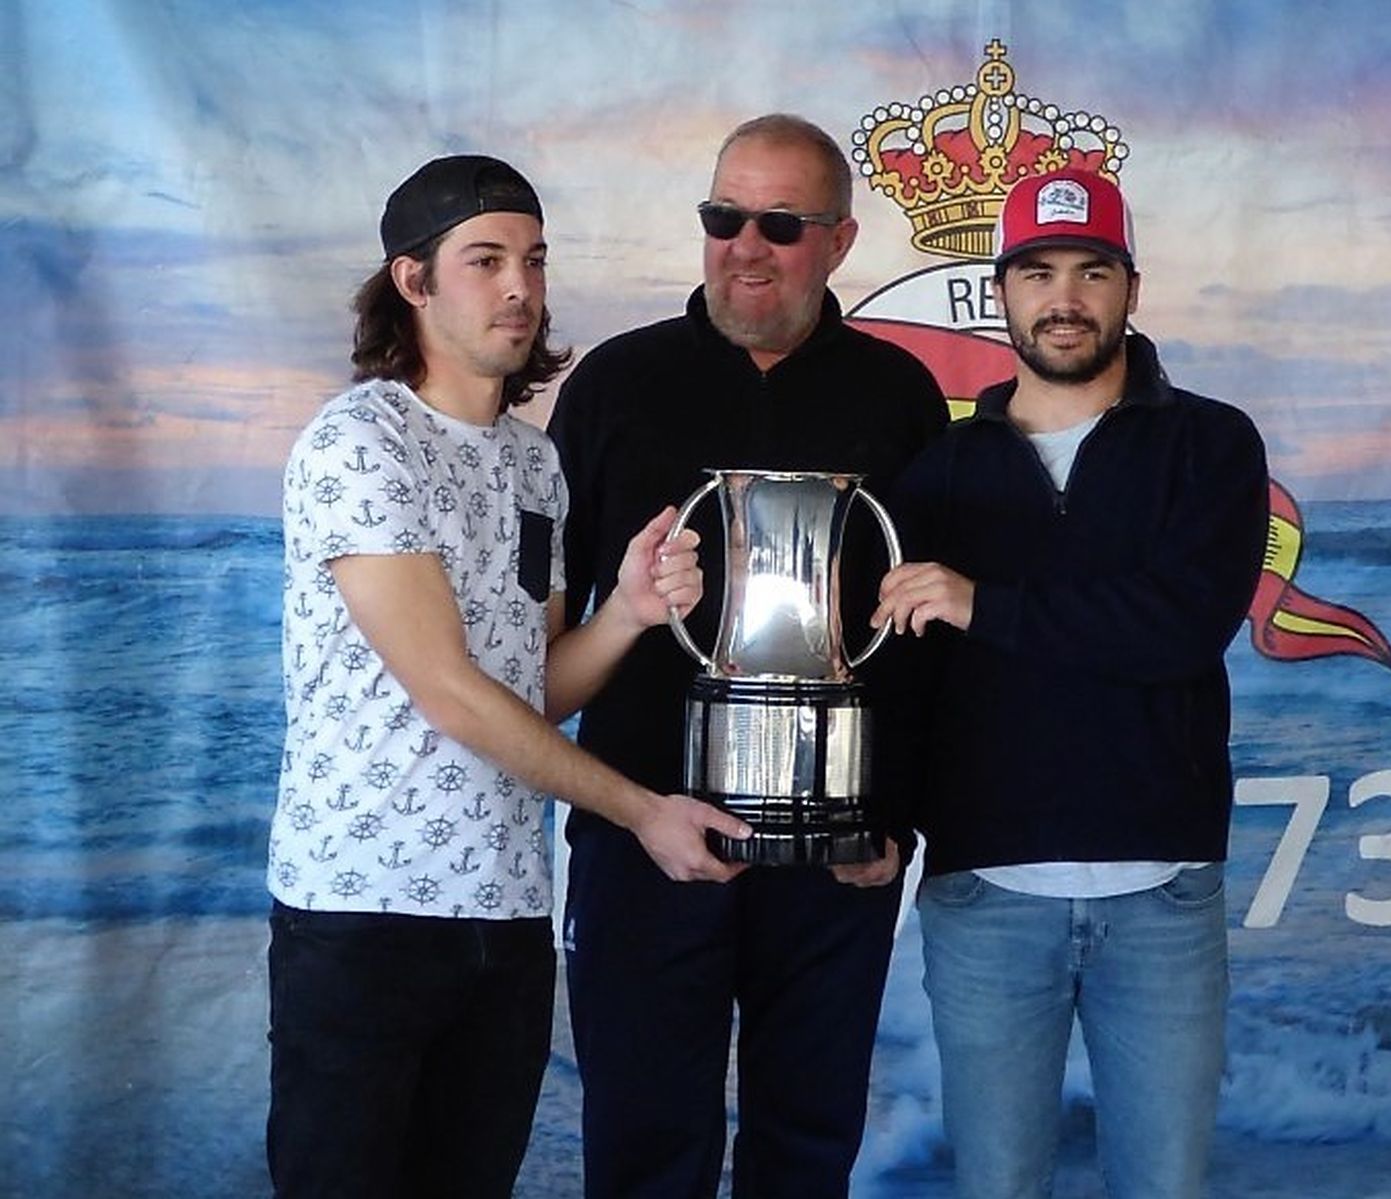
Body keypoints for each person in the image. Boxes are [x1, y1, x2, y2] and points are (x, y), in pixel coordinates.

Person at [267, 153, 750, 1199]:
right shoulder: (361, 442)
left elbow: (531, 691)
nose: (520, 286)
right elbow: (447, 690)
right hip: (363, 908)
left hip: (503, 910)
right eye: (484, 260)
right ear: (413, 281)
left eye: (532, 259)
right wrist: (640, 811)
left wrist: (627, 607)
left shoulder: (535, 466)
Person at [547, 114, 949, 1198]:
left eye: (781, 222)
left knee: (807, 1147)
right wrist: (621, 805)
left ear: (841, 240)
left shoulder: (901, 395)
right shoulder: (611, 387)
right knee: (641, 1151)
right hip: (643, 838)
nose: (746, 245)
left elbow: (924, 642)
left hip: (835, 854)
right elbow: (539, 642)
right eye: (724, 217)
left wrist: (897, 817)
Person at [873, 166, 1269, 1199]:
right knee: (997, 1187)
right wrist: (881, 820)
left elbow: (1179, 627)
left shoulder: (1211, 443)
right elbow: (903, 680)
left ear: (1129, 288)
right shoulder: (939, 472)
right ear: (997, 293)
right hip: (987, 895)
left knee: (1164, 1186)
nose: (1065, 298)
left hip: (1162, 891)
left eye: (1092, 270)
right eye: (1036, 272)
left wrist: (980, 601)